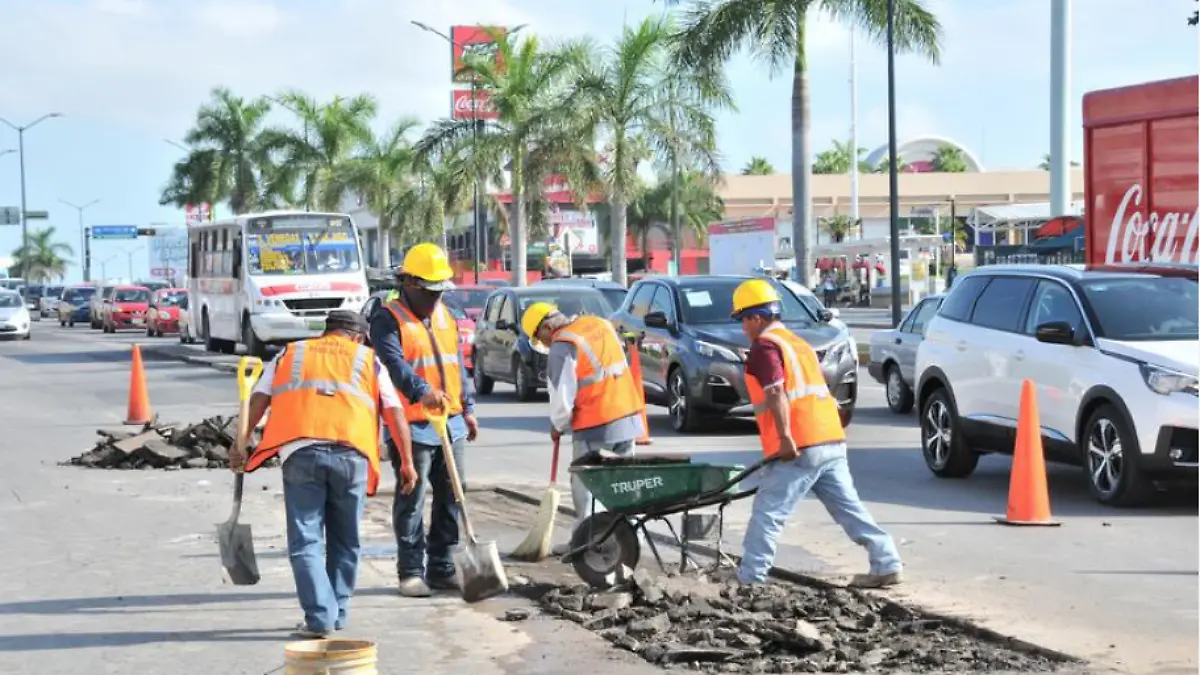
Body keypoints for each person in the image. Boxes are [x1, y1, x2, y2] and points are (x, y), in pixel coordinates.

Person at [231, 310, 418, 638]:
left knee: (306, 540)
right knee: (346, 540)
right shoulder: (369, 360)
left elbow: (259, 400)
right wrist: (407, 462)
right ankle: (337, 612)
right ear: (358, 337)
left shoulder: (290, 353)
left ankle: (320, 617)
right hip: (352, 454)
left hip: (300, 451)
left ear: (326, 333)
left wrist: (241, 442)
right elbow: (394, 412)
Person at [730, 279, 902, 588]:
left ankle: (750, 580)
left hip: (799, 444)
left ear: (757, 317)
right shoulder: (797, 344)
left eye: (743, 319)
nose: (743, 327)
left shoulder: (765, 347)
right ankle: (886, 561)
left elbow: (776, 391)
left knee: (767, 513)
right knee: (848, 508)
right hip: (829, 439)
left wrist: (784, 438)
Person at [369, 243, 479, 598]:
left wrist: (469, 407)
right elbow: (393, 365)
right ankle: (411, 571)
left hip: (451, 420)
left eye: (440, 291)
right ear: (411, 284)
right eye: (430, 291)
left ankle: (442, 566)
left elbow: (458, 365)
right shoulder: (388, 318)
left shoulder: (445, 315)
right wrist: (420, 390)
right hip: (413, 424)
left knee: (452, 496)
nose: (436, 298)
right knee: (412, 499)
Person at [521, 302, 643, 536]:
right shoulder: (600, 323)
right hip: (627, 415)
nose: (545, 345)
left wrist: (558, 426)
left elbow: (561, 397)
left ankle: (586, 544)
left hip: (595, 423)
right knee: (624, 486)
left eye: (540, 338)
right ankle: (627, 540)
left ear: (547, 327)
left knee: (586, 488)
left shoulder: (563, 345)